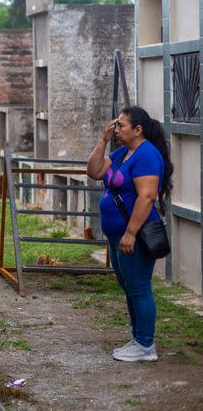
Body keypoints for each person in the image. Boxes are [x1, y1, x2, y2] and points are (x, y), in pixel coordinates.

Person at [87, 106, 173, 362]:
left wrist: (131, 233)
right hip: (117, 234)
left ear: (138, 130)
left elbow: (146, 197)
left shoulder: (146, 155)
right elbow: (94, 171)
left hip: (132, 235)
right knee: (129, 287)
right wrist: (103, 140)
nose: (116, 129)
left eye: (121, 125)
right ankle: (138, 338)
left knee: (139, 289)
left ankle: (145, 345)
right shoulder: (125, 152)